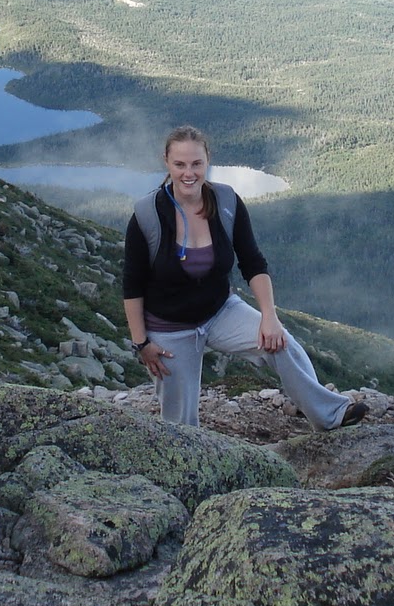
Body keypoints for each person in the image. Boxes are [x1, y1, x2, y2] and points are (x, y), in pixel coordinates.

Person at [122, 124, 369, 430]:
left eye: (197, 164)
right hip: (169, 329)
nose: (189, 173)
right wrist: (142, 343)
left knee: (282, 344)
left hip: (219, 311)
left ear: (207, 161)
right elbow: (132, 286)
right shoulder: (147, 215)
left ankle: (330, 416)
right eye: (180, 164)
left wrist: (270, 317)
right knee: (180, 423)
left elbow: (253, 263)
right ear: (167, 163)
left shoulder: (226, 203)